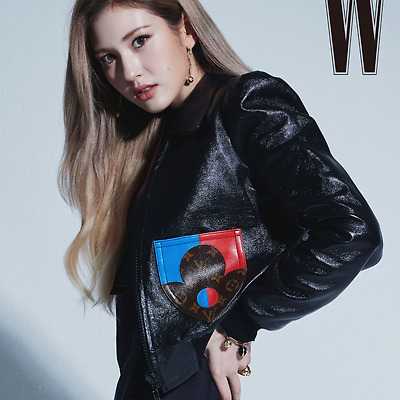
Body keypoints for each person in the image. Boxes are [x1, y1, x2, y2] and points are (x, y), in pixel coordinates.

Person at [59, 1, 383, 399]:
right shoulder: (153, 148)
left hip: (188, 382)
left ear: (186, 30)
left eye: (140, 40)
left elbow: (352, 232)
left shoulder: (245, 104)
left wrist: (240, 323)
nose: (129, 72)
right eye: (108, 58)